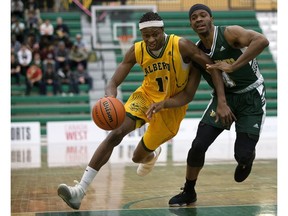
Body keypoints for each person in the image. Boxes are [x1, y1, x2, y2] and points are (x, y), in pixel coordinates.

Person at [57, 11, 234, 210]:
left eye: (155, 35)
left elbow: (210, 68)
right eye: (146, 36)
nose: (150, 40)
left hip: (171, 107)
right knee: (115, 133)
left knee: (137, 158)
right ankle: (79, 191)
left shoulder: (181, 45)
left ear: (162, 30)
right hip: (145, 97)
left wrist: (221, 99)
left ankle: (150, 155)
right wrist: (109, 96)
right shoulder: (136, 50)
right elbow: (114, 81)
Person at [146, 4, 269, 207]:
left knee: (242, 155)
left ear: (211, 18)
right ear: (191, 24)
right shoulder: (197, 53)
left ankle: (247, 157)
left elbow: (262, 40)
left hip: (251, 96)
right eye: (194, 17)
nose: (199, 19)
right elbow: (188, 94)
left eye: (203, 15)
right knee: (198, 146)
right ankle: (189, 191)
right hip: (224, 98)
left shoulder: (230, 33)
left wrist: (233, 65)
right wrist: (164, 104)